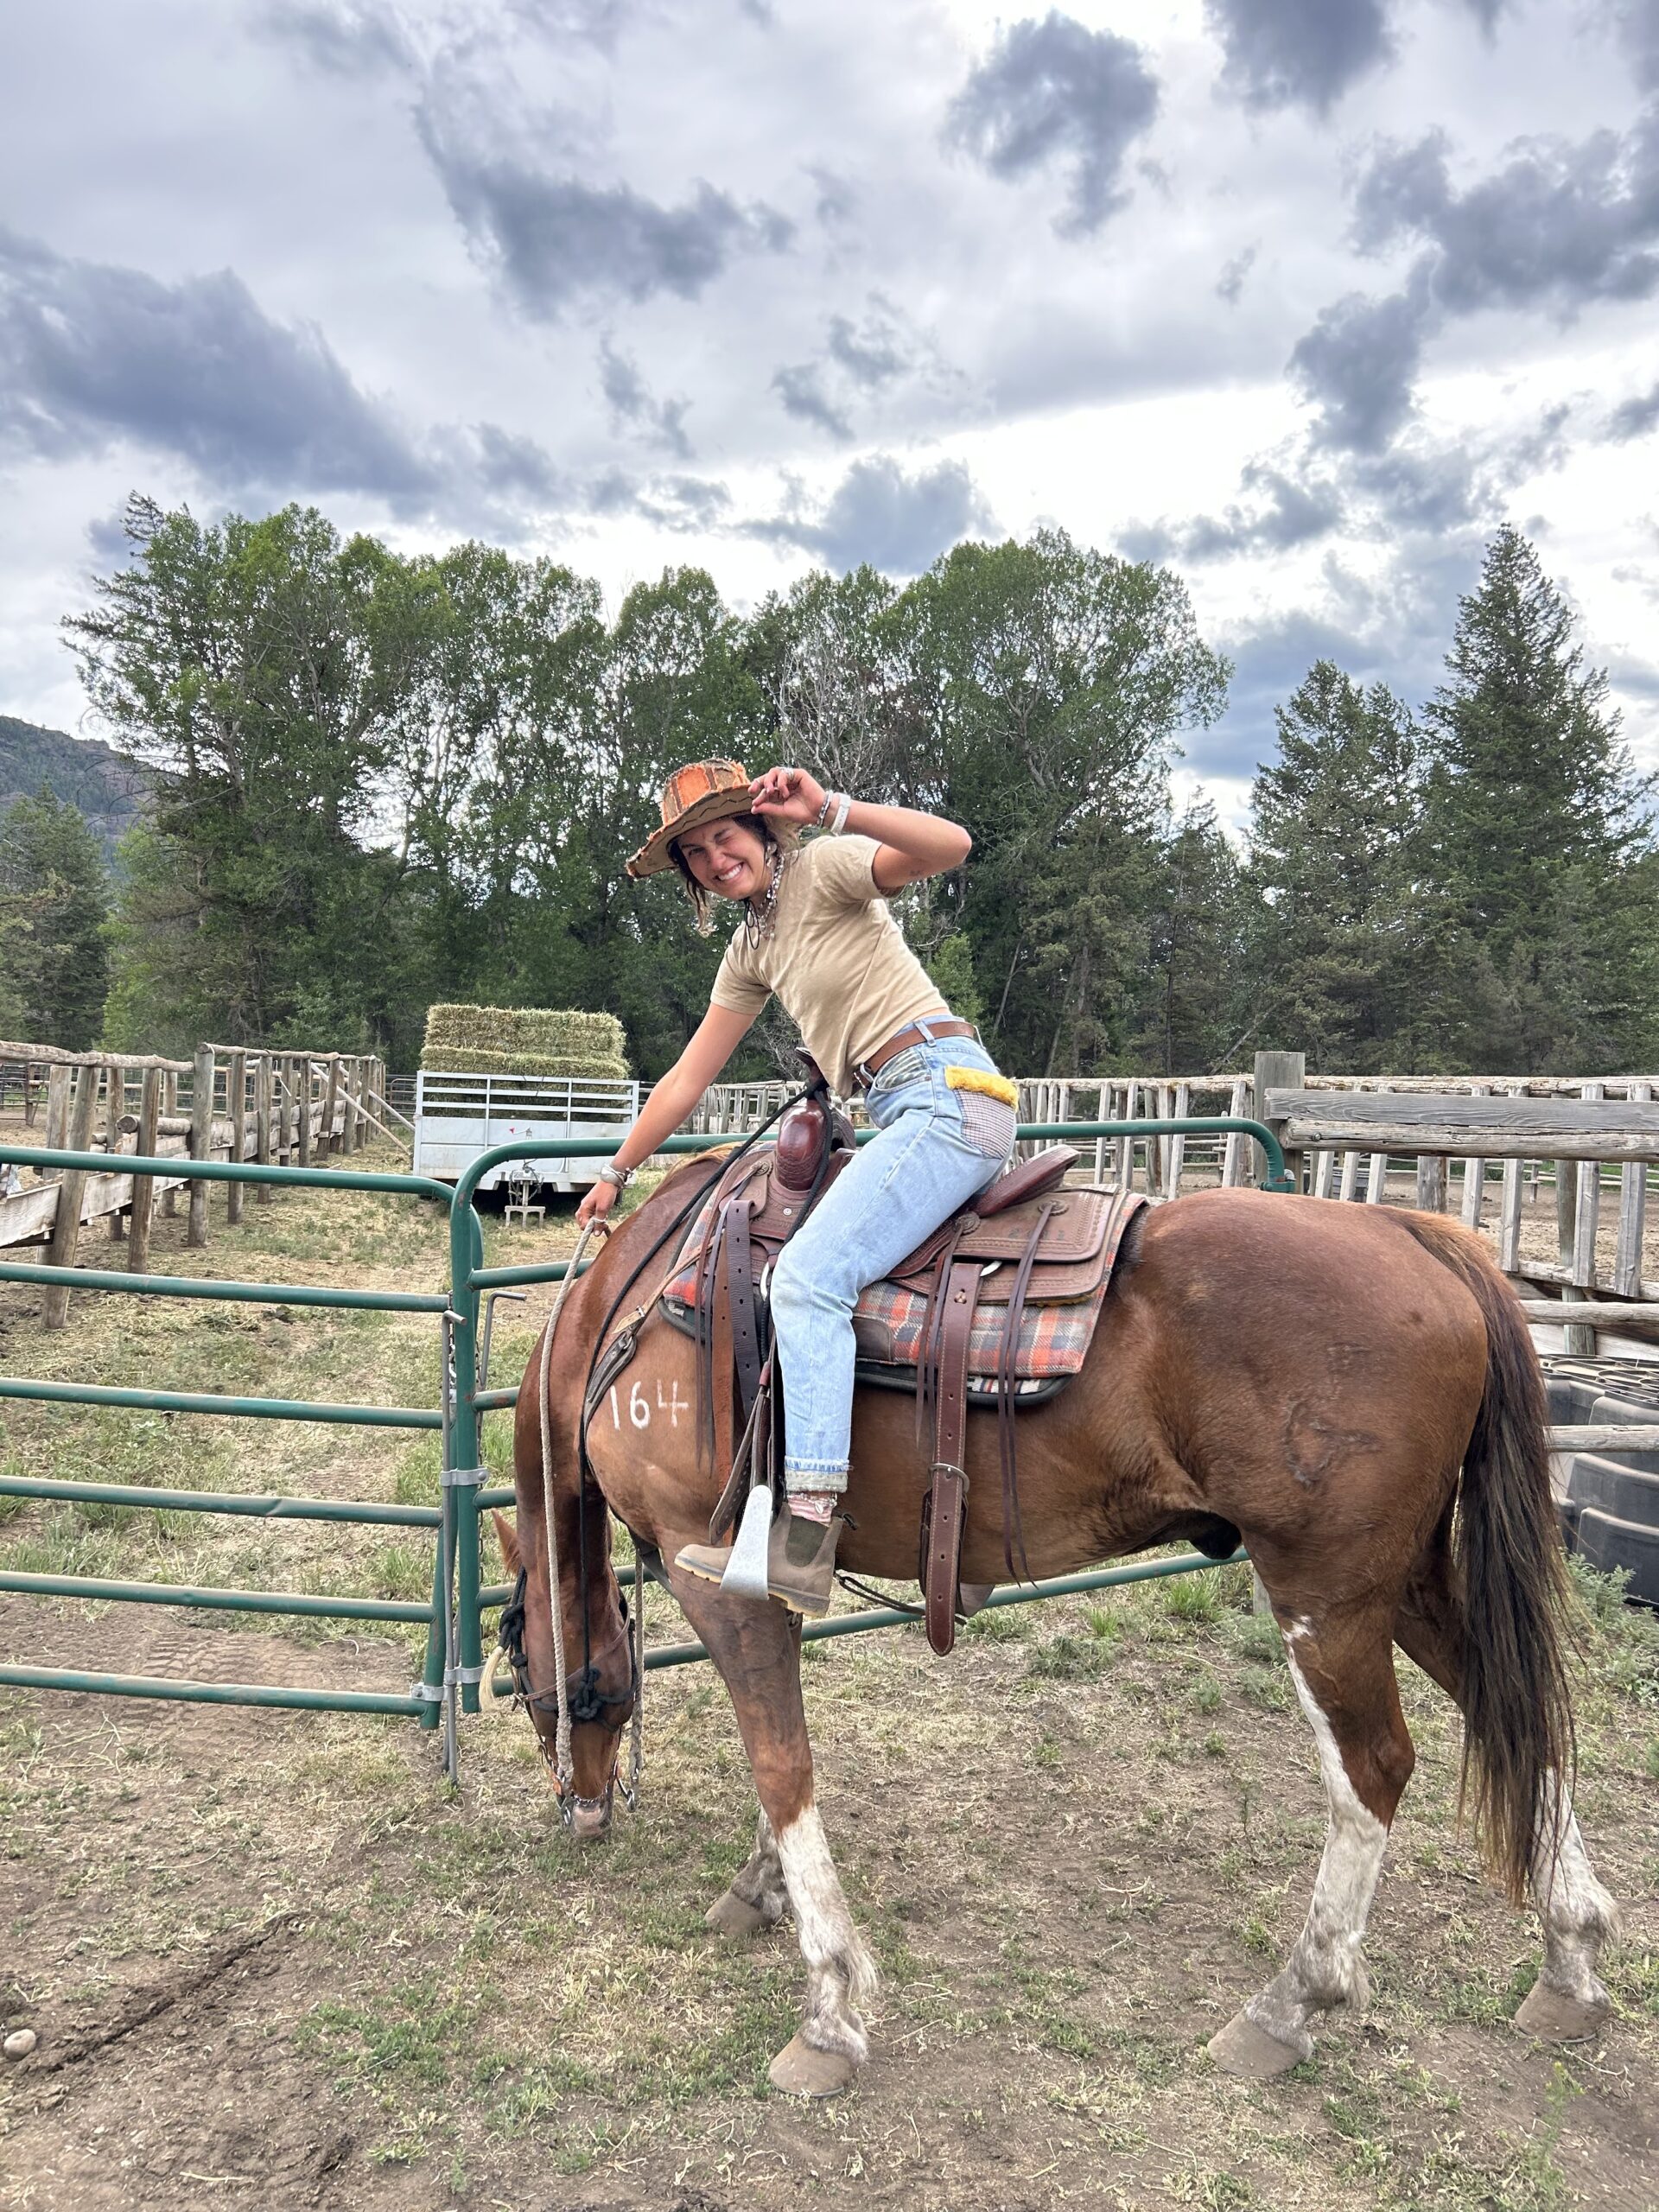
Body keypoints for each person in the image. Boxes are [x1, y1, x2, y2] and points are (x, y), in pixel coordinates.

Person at [575, 758, 1019, 1615]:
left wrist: (833, 807)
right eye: (695, 852)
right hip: (906, 1104)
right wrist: (615, 1171)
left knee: (808, 1278)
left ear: (761, 828)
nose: (714, 857)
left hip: (944, 1093)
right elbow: (685, 1079)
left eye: (725, 834)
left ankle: (807, 1533)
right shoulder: (751, 946)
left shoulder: (823, 866)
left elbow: (952, 845)